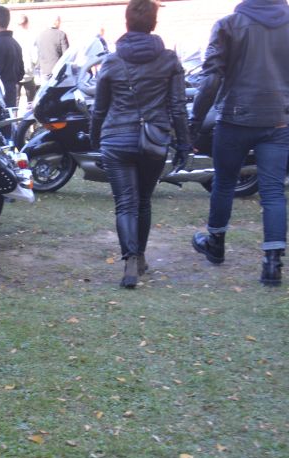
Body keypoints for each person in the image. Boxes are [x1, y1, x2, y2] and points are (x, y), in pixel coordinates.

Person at [189, 0, 289, 286]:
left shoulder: (229, 25)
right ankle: (272, 264)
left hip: (234, 118)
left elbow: (211, 78)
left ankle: (215, 244)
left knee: (224, 183)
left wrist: (195, 119)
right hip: (278, 119)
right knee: (273, 191)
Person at [89, 0, 190, 288]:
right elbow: (178, 107)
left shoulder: (111, 61)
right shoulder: (169, 60)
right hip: (154, 139)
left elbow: (99, 108)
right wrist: (184, 144)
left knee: (125, 203)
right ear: (153, 24)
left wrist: (95, 139)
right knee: (143, 200)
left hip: (116, 139)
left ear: (127, 22)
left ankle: (131, 260)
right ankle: (140, 256)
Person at [13, 14, 39, 109]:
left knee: (15, 100)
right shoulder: (31, 36)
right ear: (27, 23)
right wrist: (35, 65)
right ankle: (30, 116)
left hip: (15, 72)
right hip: (28, 71)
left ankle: (14, 116)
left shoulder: (13, 37)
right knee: (31, 101)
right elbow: (35, 56)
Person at [37, 15, 69, 81]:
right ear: (56, 22)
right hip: (58, 70)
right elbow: (66, 55)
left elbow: (38, 53)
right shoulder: (61, 34)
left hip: (44, 70)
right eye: (59, 21)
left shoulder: (40, 35)